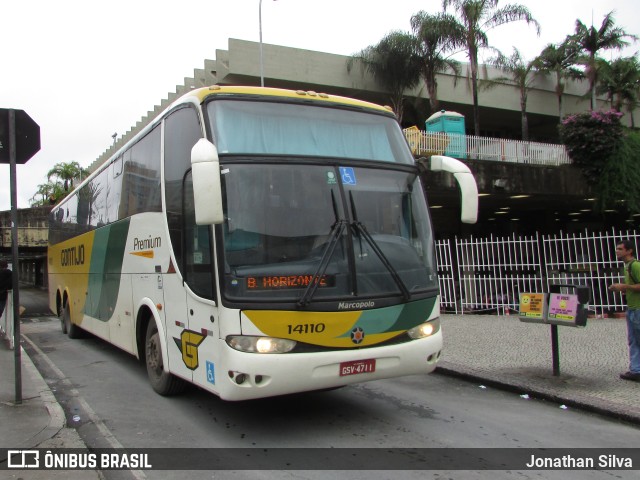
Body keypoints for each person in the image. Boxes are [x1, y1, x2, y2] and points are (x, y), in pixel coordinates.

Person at [609, 240, 640, 382]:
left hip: (637, 309)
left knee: (636, 340)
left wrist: (623, 286)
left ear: (629, 251)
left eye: (620, 249)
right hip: (632, 308)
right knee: (633, 340)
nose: (617, 251)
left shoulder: (635, 266)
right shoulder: (628, 266)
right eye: (617, 249)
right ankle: (636, 369)